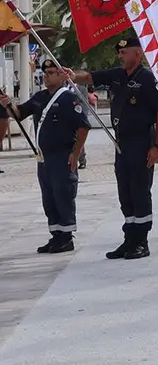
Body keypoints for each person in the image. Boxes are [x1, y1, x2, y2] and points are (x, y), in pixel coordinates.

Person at [68, 38, 158, 260]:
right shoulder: (118, 75)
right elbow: (91, 76)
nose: (121, 56)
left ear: (138, 55)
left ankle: (141, 240)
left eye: (125, 52)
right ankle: (130, 237)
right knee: (125, 191)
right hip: (122, 142)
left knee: (140, 191)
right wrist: (71, 75)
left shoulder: (147, 79)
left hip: (142, 141)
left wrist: (156, 146)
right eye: (120, 52)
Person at [0, 60, 91, 253]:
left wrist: (76, 153)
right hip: (44, 158)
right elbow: (20, 114)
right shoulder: (39, 97)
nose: (47, 75)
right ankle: (56, 235)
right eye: (45, 72)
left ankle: (67, 237)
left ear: (61, 75)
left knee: (63, 195)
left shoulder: (68, 98)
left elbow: (83, 126)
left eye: (51, 72)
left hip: (62, 155)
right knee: (49, 198)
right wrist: (9, 105)